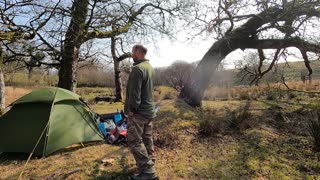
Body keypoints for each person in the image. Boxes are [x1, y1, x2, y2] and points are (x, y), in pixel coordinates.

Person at [124, 44, 158, 180]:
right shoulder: (149, 67)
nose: (132, 54)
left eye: (133, 51)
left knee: (134, 141)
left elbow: (135, 94)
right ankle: (150, 162)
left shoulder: (137, 69)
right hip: (149, 111)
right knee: (147, 138)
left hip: (139, 112)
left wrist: (132, 110)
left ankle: (148, 172)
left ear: (138, 52)